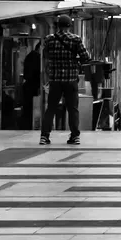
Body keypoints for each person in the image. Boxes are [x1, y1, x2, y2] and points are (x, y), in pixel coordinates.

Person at [39, 14, 93, 145]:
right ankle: (75, 136)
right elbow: (86, 58)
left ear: (58, 25)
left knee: (51, 108)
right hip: (71, 80)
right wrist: (76, 60)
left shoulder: (49, 39)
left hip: (55, 80)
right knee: (73, 109)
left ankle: (44, 136)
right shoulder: (75, 39)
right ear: (70, 26)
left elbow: (46, 55)